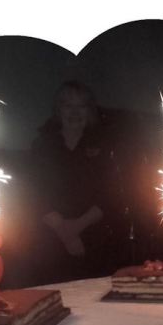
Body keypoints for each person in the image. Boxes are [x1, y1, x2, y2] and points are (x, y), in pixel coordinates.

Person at [27, 81, 134, 283]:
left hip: (95, 238)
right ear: (59, 109)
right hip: (50, 239)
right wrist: (64, 232)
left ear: (89, 110)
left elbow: (112, 194)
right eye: (68, 105)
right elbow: (34, 191)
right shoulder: (43, 145)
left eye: (81, 106)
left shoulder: (105, 145)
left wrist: (76, 227)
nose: (75, 112)